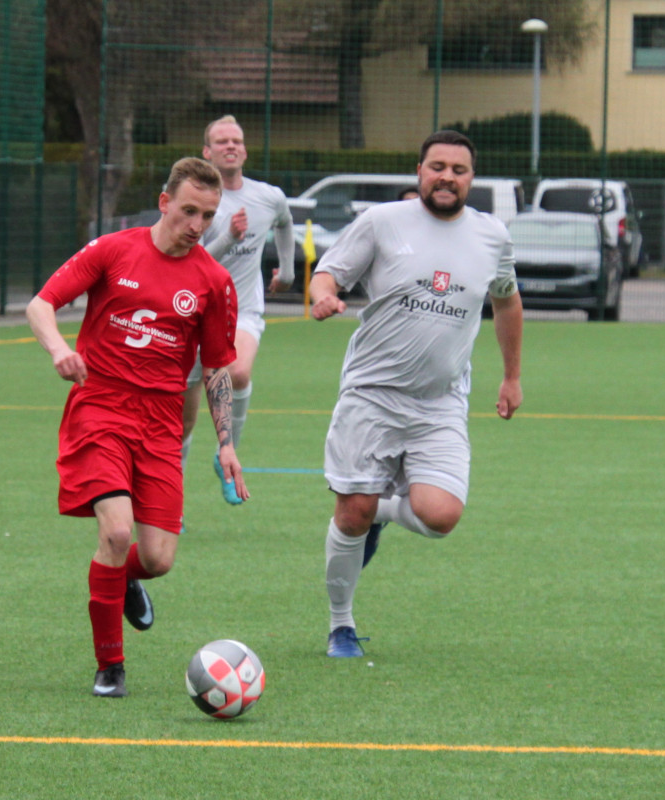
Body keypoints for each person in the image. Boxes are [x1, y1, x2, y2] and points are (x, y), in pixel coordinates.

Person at [25, 157, 249, 698]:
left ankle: (120, 577)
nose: (197, 225)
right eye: (189, 211)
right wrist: (58, 350)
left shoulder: (214, 282)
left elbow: (217, 368)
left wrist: (226, 443)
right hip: (100, 407)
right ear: (164, 202)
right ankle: (110, 667)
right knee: (117, 531)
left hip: (161, 423)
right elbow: (42, 304)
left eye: (208, 216)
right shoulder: (112, 250)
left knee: (157, 559)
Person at [309, 130, 523, 658]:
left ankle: (382, 512)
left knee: (441, 516)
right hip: (372, 395)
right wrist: (324, 297)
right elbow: (328, 272)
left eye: (459, 170)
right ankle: (341, 625)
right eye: (437, 167)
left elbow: (507, 301)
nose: (447, 177)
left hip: (440, 402)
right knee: (351, 514)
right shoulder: (382, 221)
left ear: (471, 178)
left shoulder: (492, 236)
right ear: (419, 171)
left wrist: (511, 376)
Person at [182, 115, 294, 505]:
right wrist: (229, 237)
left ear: (244, 151)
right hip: (191, 315)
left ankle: (225, 454)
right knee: (182, 422)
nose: (231, 146)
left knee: (239, 371)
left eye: (237, 140)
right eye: (222, 141)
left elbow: (285, 223)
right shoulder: (196, 201)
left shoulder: (268, 196)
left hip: (241, 309)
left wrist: (288, 271)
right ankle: (171, 506)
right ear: (207, 152)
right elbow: (189, 262)